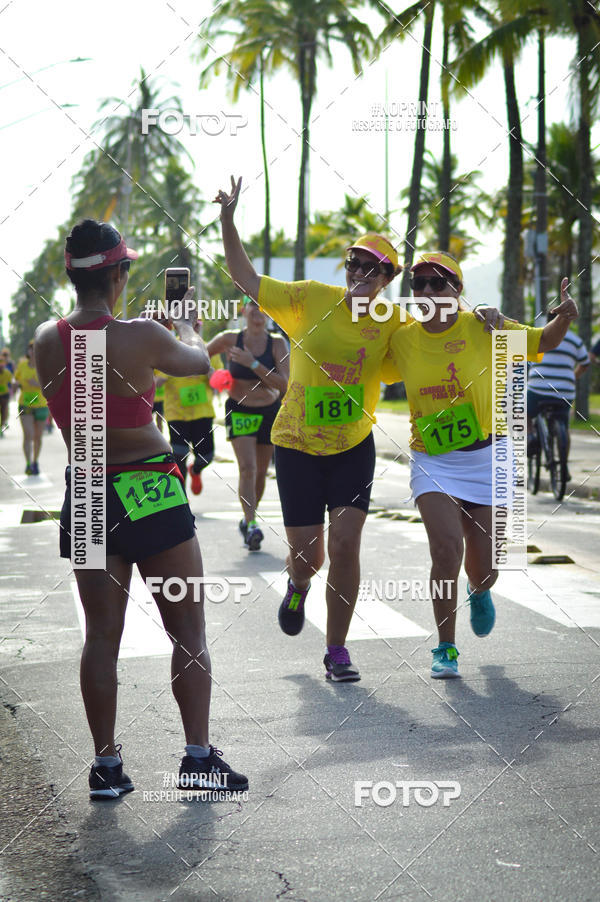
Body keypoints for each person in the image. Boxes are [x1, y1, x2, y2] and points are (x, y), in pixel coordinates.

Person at [215, 177, 506, 682]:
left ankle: (337, 650)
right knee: (309, 555)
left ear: (387, 279)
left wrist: (478, 314)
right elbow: (245, 278)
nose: (362, 273)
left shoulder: (394, 323)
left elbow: (438, 331)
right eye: (355, 263)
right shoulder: (308, 299)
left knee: (347, 545)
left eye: (375, 269)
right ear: (345, 266)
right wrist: (228, 220)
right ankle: (299, 584)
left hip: (353, 446)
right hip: (297, 445)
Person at [33, 219, 247, 798]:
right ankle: (198, 758)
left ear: (71, 275)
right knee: (188, 628)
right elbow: (198, 364)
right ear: (120, 274)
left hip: (87, 494)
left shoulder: (45, 339)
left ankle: (105, 767)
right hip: (149, 488)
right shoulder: (142, 337)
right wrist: (192, 335)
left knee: (101, 636)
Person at [382, 253, 578, 679]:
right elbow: (358, 356)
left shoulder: (485, 327)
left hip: (489, 458)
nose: (428, 292)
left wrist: (564, 315)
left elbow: (545, 340)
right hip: (433, 460)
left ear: (458, 289)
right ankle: (445, 647)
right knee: (445, 549)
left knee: (486, 567)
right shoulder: (401, 339)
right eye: (420, 284)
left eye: (439, 283)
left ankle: (479, 589)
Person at [207, 295, 289, 550]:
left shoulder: (277, 344)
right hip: (239, 408)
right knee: (248, 469)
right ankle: (252, 523)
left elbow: (283, 383)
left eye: (264, 306)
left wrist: (251, 363)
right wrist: (215, 375)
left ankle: (247, 517)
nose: (258, 310)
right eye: (253, 304)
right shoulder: (231, 338)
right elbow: (199, 355)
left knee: (261, 473)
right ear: (244, 309)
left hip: (268, 409)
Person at [157, 321, 221, 496]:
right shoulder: (171, 348)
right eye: (190, 324)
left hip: (203, 412)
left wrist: (211, 373)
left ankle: (196, 471)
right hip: (176, 412)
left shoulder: (209, 349)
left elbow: (220, 382)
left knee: (206, 456)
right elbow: (157, 378)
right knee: (179, 455)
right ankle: (183, 498)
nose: (193, 329)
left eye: (197, 325)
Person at [527, 315, 590, 475]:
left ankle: (529, 436)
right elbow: (585, 363)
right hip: (564, 391)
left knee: (522, 411)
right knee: (564, 425)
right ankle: (564, 466)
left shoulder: (539, 336)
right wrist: (572, 377)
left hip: (538, 389)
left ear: (550, 322)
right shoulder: (575, 340)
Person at [14, 341, 49, 474]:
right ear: (28, 351)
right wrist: (16, 384)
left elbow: (51, 384)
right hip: (25, 404)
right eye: (31, 349)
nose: (33, 351)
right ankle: (28, 463)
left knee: (38, 437)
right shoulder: (22, 365)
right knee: (28, 435)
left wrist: (37, 384)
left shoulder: (44, 366)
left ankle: (35, 462)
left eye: (36, 349)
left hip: (41, 405)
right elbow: (16, 379)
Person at [0, 354, 12, 435]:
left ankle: (2, 426)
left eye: (2, 363)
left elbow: (11, 383)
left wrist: (12, 392)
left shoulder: (7, 372)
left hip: (4, 394)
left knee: (3, 411)